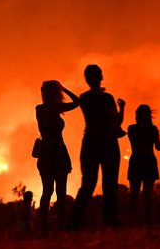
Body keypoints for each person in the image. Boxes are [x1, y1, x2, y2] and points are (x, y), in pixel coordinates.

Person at [67, 65, 126, 229]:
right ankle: (110, 221)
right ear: (101, 77)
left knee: (88, 183)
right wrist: (123, 109)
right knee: (110, 184)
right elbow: (116, 122)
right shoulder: (107, 98)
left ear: (86, 79)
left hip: (90, 142)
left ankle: (74, 221)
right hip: (108, 141)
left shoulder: (84, 98)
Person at [35, 80, 80, 232]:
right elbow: (77, 101)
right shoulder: (56, 107)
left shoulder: (39, 109)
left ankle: (45, 228)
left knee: (47, 191)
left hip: (46, 153)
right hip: (58, 151)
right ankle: (61, 226)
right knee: (61, 192)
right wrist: (65, 89)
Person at [127, 104, 160, 226]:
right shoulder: (153, 129)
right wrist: (156, 135)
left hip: (136, 159)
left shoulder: (131, 128)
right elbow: (158, 147)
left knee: (134, 193)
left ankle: (131, 221)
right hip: (149, 160)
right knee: (147, 194)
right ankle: (148, 221)